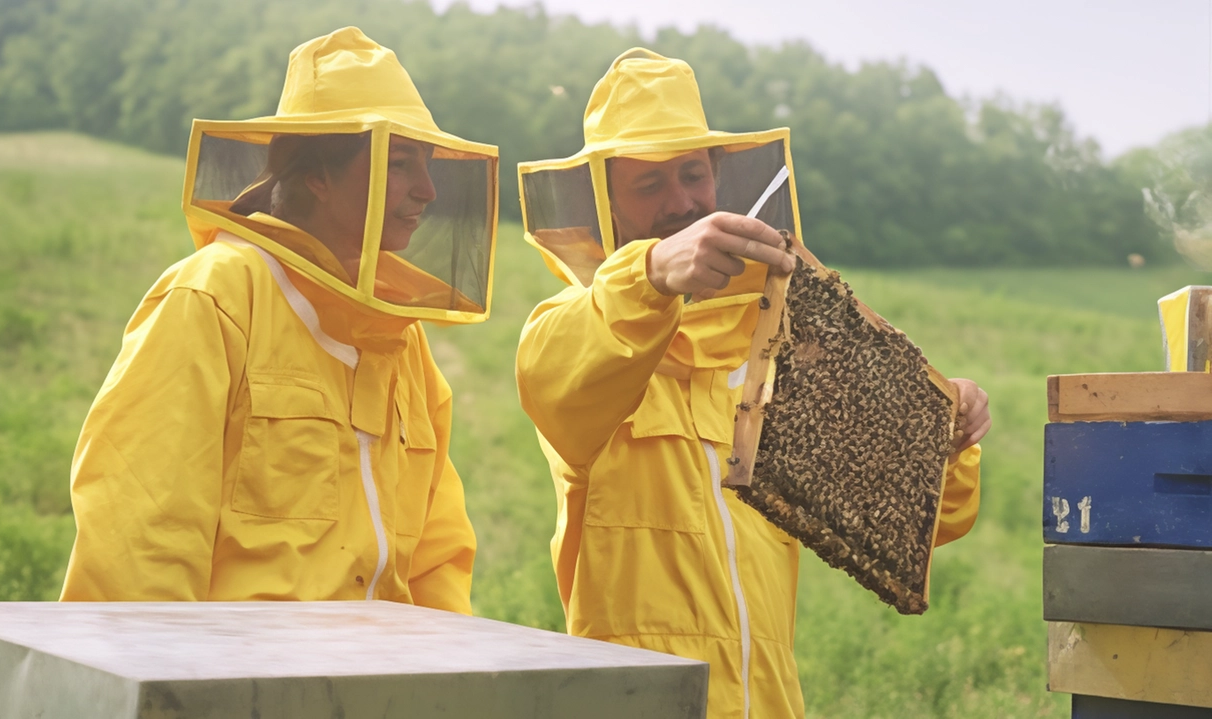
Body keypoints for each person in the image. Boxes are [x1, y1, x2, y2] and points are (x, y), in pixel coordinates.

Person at [515, 48, 989, 718]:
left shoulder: (773, 355)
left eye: (692, 175)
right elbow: (551, 373)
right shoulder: (583, 338)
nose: (681, 201)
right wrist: (650, 272)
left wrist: (946, 433)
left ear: (719, 183)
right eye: (649, 185)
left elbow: (930, 517)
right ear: (605, 206)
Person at [60, 27, 500, 612]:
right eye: (400, 163)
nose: (427, 189)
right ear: (317, 174)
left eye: (426, 164)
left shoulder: (399, 337)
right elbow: (140, 534)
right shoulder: (214, 296)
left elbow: (436, 554)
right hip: (241, 687)